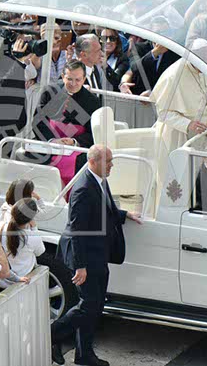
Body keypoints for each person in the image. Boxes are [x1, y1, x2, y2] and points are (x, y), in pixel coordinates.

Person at [51, 145, 142, 366]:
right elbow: (77, 230)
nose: (112, 165)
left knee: (96, 305)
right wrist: (80, 266)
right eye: (108, 161)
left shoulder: (100, 181)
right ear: (93, 162)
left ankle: (84, 355)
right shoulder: (83, 189)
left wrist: (124, 214)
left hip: (98, 254)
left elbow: (104, 209)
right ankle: (52, 334)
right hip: (85, 257)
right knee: (88, 306)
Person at [150, 39, 207, 177]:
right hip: (177, 137)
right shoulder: (174, 75)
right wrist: (188, 124)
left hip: (202, 137)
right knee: (176, 179)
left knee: (197, 179)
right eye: (203, 58)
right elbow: (163, 112)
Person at [31, 60, 102, 185]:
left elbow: (93, 133)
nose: (73, 84)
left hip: (75, 146)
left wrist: (74, 141)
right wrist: (52, 140)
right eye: (69, 79)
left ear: (84, 79)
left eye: (78, 80)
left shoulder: (93, 101)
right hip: (48, 141)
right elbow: (38, 121)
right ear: (63, 76)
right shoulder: (50, 91)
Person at [0, 198, 45, 288]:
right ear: (31, 218)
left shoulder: (1, 227)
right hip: (22, 281)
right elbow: (40, 252)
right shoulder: (32, 236)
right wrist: (34, 228)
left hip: (1, 280)